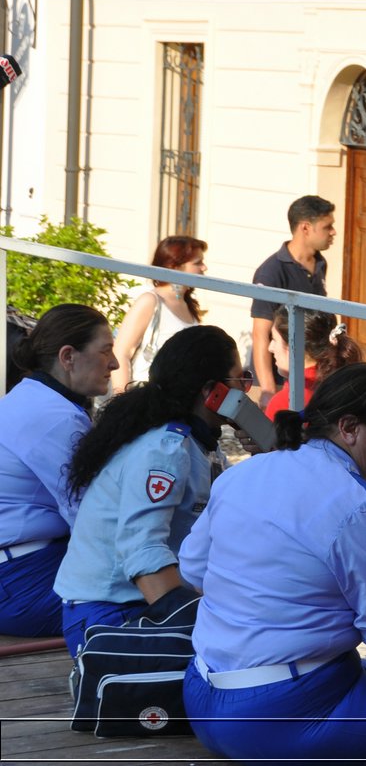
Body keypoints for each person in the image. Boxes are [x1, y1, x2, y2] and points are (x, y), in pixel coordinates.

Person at [180, 363, 366, 765]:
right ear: (349, 427)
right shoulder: (360, 507)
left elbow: (192, 568)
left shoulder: (245, 473)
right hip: (282, 709)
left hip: (203, 693)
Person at [55, 326, 240, 655]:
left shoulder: (199, 446)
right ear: (212, 391)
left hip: (138, 603)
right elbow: (142, 550)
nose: (247, 394)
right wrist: (201, 625)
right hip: (110, 614)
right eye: (242, 382)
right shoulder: (164, 450)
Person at [0, 305, 117, 636]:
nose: (115, 363)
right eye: (105, 350)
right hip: (18, 583)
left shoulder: (32, 397)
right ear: (68, 357)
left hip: (22, 567)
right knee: (155, 595)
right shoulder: (55, 417)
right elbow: (96, 519)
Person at [249, 195, 335, 401]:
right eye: (327, 226)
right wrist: (268, 390)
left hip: (309, 374)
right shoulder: (271, 272)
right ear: (305, 228)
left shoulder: (320, 263)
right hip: (280, 380)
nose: (333, 232)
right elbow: (260, 334)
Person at [110, 235, 208, 394]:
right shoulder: (150, 301)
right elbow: (121, 352)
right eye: (197, 263)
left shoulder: (187, 304)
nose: (204, 268)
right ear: (175, 267)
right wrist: (122, 400)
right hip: (147, 398)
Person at [262, 308, 365, 421]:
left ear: (293, 348)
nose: (270, 348)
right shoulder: (347, 384)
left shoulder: (284, 402)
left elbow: (268, 439)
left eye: (275, 340)